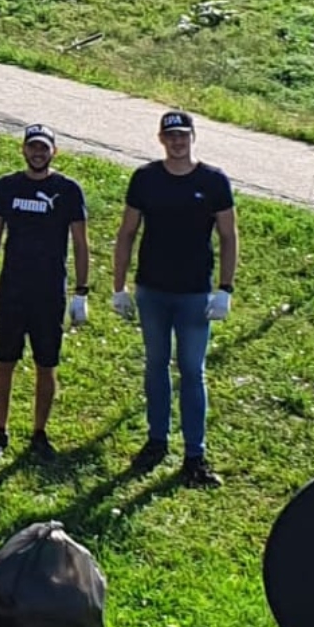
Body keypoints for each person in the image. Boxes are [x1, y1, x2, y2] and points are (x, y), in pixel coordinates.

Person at [111, 110, 238, 488]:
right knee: (155, 365)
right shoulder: (146, 178)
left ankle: (194, 455)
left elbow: (229, 236)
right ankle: (156, 440)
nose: (178, 142)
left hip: (195, 293)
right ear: (161, 139)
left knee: (192, 370)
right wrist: (118, 287)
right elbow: (127, 232)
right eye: (171, 136)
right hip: (153, 289)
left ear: (193, 137)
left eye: (183, 135)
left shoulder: (213, 181)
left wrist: (225, 289)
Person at [0, 124, 90, 461]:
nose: (38, 153)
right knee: (4, 361)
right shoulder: (8, 186)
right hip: (12, 288)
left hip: (49, 291)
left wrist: (82, 291)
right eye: (32, 147)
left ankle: (39, 432)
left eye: (44, 148)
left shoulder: (67, 190)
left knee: (45, 364)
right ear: (23, 150)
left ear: (54, 151)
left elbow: (81, 243)